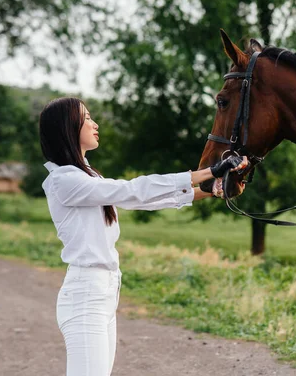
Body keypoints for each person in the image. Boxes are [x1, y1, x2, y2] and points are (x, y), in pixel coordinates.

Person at [39, 97, 246, 376]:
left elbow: (144, 200)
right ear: (67, 127)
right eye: (87, 118)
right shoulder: (65, 181)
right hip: (85, 295)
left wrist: (211, 189)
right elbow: (133, 189)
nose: (95, 123)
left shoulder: (87, 177)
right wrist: (207, 172)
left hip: (103, 291)